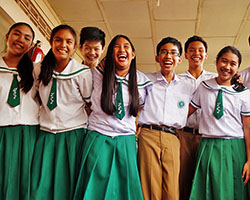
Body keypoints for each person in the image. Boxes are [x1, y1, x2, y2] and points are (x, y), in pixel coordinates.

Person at [73, 34, 152, 200]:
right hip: (98, 136)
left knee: (124, 189)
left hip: (125, 140)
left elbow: (142, 109)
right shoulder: (95, 75)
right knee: (93, 187)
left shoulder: (143, 81)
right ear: (110, 53)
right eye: (116, 46)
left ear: (133, 54)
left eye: (126, 46)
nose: (121, 49)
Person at [30, 24, 92, 200]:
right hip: (45, 133)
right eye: (58, 40)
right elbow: (34, 97)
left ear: (75, 47)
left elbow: (90, 103)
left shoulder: (82, 73)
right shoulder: (39, 69)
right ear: (51, 42)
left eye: (68, 41)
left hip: (73, 134)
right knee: (39, 185)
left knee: (66, 185)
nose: (62, 45)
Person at [189, 46, 250, 199]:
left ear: (237, 68)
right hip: (209, 146)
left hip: (235, 147)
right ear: (216, 62)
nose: (227, 67)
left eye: (233, 64)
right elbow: (185, 114)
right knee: (208, 191)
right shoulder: (204, 87)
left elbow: (248, 128)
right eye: (224, 61)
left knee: (234, 191)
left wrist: (249, 160)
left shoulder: (243, 93)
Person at [137, 37, 195, 200]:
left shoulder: (187, 86)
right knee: (149, 187)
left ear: (179, 59)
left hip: (173, 137)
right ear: (157, 58)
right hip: (149, 136)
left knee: (172, 188)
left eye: (173, 53)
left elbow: (197, 105)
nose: (168, 56)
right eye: (164, 52)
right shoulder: (145, 79)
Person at [0, 22, 39, 200]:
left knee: (26, 185)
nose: (20, 40)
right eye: (16, 34)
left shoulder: (36, 73)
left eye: (26, 38)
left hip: (29, 134)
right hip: (2, 132)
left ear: (30, 46)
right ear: (7, 36)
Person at [177, 35, 217, 199]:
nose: (196, 53)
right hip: (183, 136)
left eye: (200, 50)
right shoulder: (177, 80)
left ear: (206, 54)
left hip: (208, 137)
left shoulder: (215, 79)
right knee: (183, 179)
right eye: (192, 50)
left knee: (206, 180)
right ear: (185, 54)